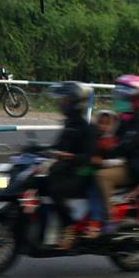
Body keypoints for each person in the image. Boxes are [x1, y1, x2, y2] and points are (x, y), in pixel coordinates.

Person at [96, 75, 139, 218]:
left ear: (135, 99)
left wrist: (107, 152)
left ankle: (110, 214)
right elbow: (113, 139)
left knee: (101, 176)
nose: (119, 99)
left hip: (135, 166)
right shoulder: (126, 118)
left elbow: (125, 146)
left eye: (123, 96)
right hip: (125, 162)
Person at [44, 82, 96, 249]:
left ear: (73, 102)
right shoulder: (69, 124)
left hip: (81, 174)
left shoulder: (84, 127)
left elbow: (88, 156)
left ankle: (69, 226)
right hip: (67, 170)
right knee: (40, 183)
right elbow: (57, 146)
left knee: (54, 190)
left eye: (65, 100)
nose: (61, 104)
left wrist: (70, 157)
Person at [84, 109, 119, 238]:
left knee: (93, 189)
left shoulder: (113, 142)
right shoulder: (94, 137)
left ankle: (96, 221)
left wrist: (102, 162)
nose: (103, 126)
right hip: (93, 168)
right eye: (101, 123)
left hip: (104, 173)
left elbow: (118, 161)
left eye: (106, 123)